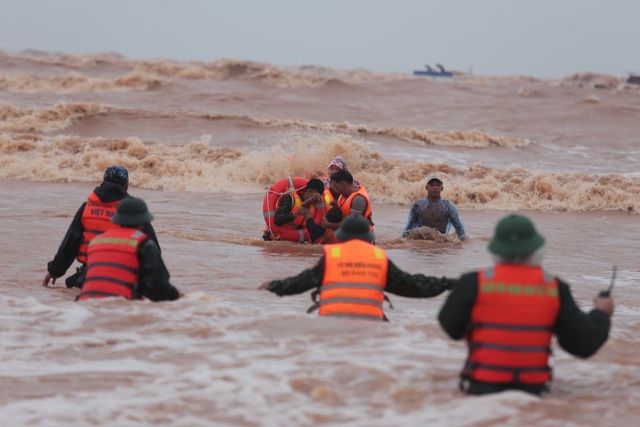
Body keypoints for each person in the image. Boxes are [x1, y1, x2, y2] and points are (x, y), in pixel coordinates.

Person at [438, 214, 614, 396]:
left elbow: (450, 326)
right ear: (536, 249)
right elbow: (583, 345)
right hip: (532, 394)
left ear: (496, 250)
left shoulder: (472, 282)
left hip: (481, 392)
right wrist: (602, 313)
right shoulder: (555, 287)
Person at [259, 215, 456, 321]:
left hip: (331, 325)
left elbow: (300, 283)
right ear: (368, 238)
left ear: (342, 236)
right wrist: (447, 283)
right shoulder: (379, 257)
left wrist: (273, 286)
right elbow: (413, 286)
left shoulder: (331, 256)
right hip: (369, 330)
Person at [42, 166, 160, 289]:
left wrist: (55, 271)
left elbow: (70, 243)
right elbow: (153, 251)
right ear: (126, 186)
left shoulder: (86, 207)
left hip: (88, 280)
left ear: (103, 182)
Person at [76, 197, 180, 302]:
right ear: (143, 222)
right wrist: (182, 300)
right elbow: (159, 287)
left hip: (85, 307)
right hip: (119, 308)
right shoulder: (143, 244)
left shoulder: (96, 242)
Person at [402, 174, 467, 241]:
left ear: (442, 188)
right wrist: (403, 240)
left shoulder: (448, 205)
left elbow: (458, 227)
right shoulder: (418, 205)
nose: (435, 188)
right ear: (426, 187)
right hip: (421, 241)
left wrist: (464, 241)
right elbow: (410, 226)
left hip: (440, 242)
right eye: (431, 185)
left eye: (438, 185)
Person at [263, 178, 326, 242]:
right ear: (308, 192)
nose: (317, 200)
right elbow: (277, 220)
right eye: (315, 197)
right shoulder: (291, 199)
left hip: (296, 240)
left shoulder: (315, 206)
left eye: (318, 197)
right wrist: (295, 214)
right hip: (276, 239)